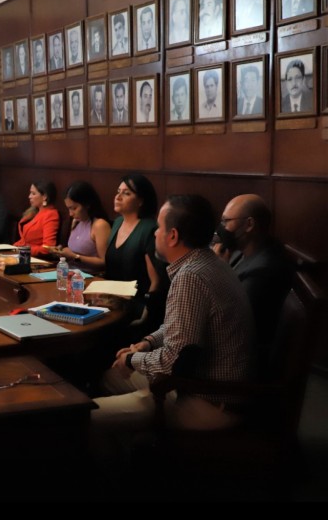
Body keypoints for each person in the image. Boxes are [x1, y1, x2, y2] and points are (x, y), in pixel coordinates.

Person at [92, 194, 255, 446]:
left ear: (173, 236)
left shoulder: (191, 277)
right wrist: (147, 343)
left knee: (84, 416)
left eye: (159, 228)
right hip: (201, 384)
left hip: (209, 400)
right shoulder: (208, 261)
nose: (155, 233)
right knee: (111, 377)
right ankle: (137, 447)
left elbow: (174, 361)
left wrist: (132, 359)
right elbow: (182, 327)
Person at [213, 194, 294, 359]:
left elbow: (232, 322)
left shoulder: (263, 271)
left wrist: (218, 269)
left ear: (249, 224)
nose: (222, 228)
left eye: (226, 221)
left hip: (241, 356)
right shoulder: (246, 251)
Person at [105, 173, 161, 319]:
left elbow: (156, 281)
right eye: (118, 191)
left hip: (136, 307)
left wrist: (146, 313)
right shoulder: (117, 223)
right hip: (110, 301)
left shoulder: (149, 229)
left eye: (126, 193)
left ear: (141, 201)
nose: (118, 197)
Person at [53, 181, 111, 273]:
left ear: (87, 204)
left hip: (90, 276)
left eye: (74, 208)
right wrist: (62, 251)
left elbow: (104, 261)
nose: (71, 214)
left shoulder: (99, 225)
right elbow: (75, 250)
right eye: (69, 208)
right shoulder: (76, 221)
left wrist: (75, 256)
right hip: (70, 272)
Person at [12, 181, 60, 257]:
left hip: (34, 257)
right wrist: (12, 248)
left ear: (44, 197)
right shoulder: (35, 212)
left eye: (33, 193)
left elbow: (48, 248)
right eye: (30, 193)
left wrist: (22, 250)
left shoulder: (51, 214)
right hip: (24, 253)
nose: (29, 196)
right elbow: (24, 241)